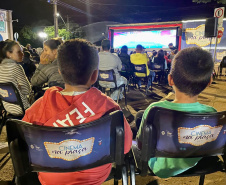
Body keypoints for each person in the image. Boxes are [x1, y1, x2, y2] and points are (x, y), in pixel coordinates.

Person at [22, 39, 132, 185]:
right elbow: (124, 147)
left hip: (52, 178)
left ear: (60, 72)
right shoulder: (110, 107)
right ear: (94, 75)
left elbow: (24, 148)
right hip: (96, 176)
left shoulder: (38, 107)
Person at [136, 47, 216, 178]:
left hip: (159, 167)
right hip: (196, 162)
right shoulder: (211, 113)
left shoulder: (155, 109)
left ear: (170, 79)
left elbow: (141, 144)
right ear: (209, 82)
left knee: (140, 116)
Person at [0, 40, 31, 115]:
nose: (22, 54)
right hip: (22, 109)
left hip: (8, 108)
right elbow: (27, 91)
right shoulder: (16, 67)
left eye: (22, 51)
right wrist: (19, 87)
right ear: (9, 54)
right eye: (18, 52)